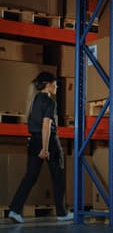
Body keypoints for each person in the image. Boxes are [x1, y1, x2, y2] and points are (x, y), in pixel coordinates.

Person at [8, 72, 74, 224]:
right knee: (58, 176)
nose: (57, 86)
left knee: (30, 177)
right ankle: (62, 213)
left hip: (33, 141)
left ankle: (15, 210)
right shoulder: (50, 102)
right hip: (48, 142)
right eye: (55, 83)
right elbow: (46, 125)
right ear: (48, 84)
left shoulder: (34, 99)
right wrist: (45, 148)